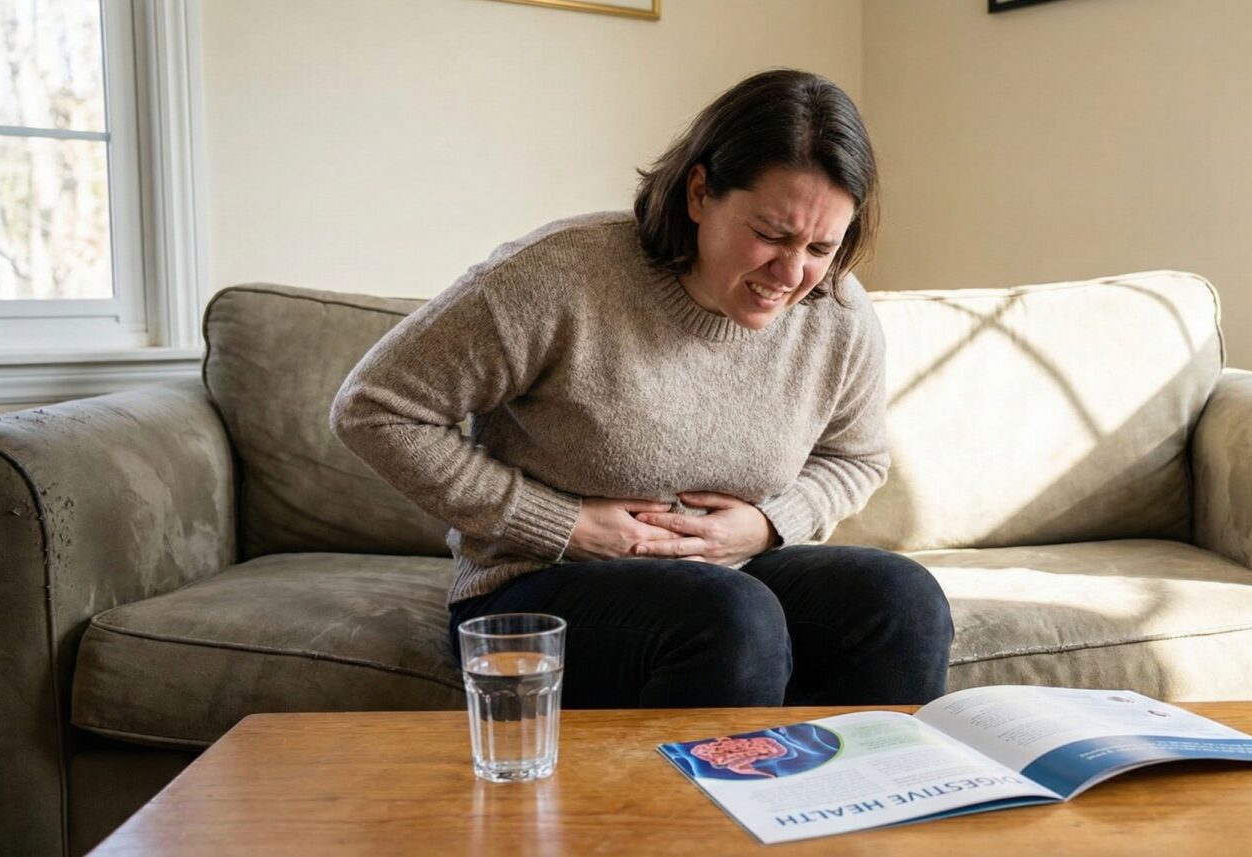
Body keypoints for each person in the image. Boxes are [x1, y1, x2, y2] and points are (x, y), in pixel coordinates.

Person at [329, 68, 953, 708]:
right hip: (543, 582)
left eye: (822, 246)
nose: (792, 273)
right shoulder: (562, 275)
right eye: (770, 234)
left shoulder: (837, 312)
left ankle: (867, 801)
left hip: (733, 577)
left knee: (899, 598)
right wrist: (565, 525)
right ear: (699, 193)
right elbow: (375, 407)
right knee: (731, 618)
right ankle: (702, 810)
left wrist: (770, 525)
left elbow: (855, 457)